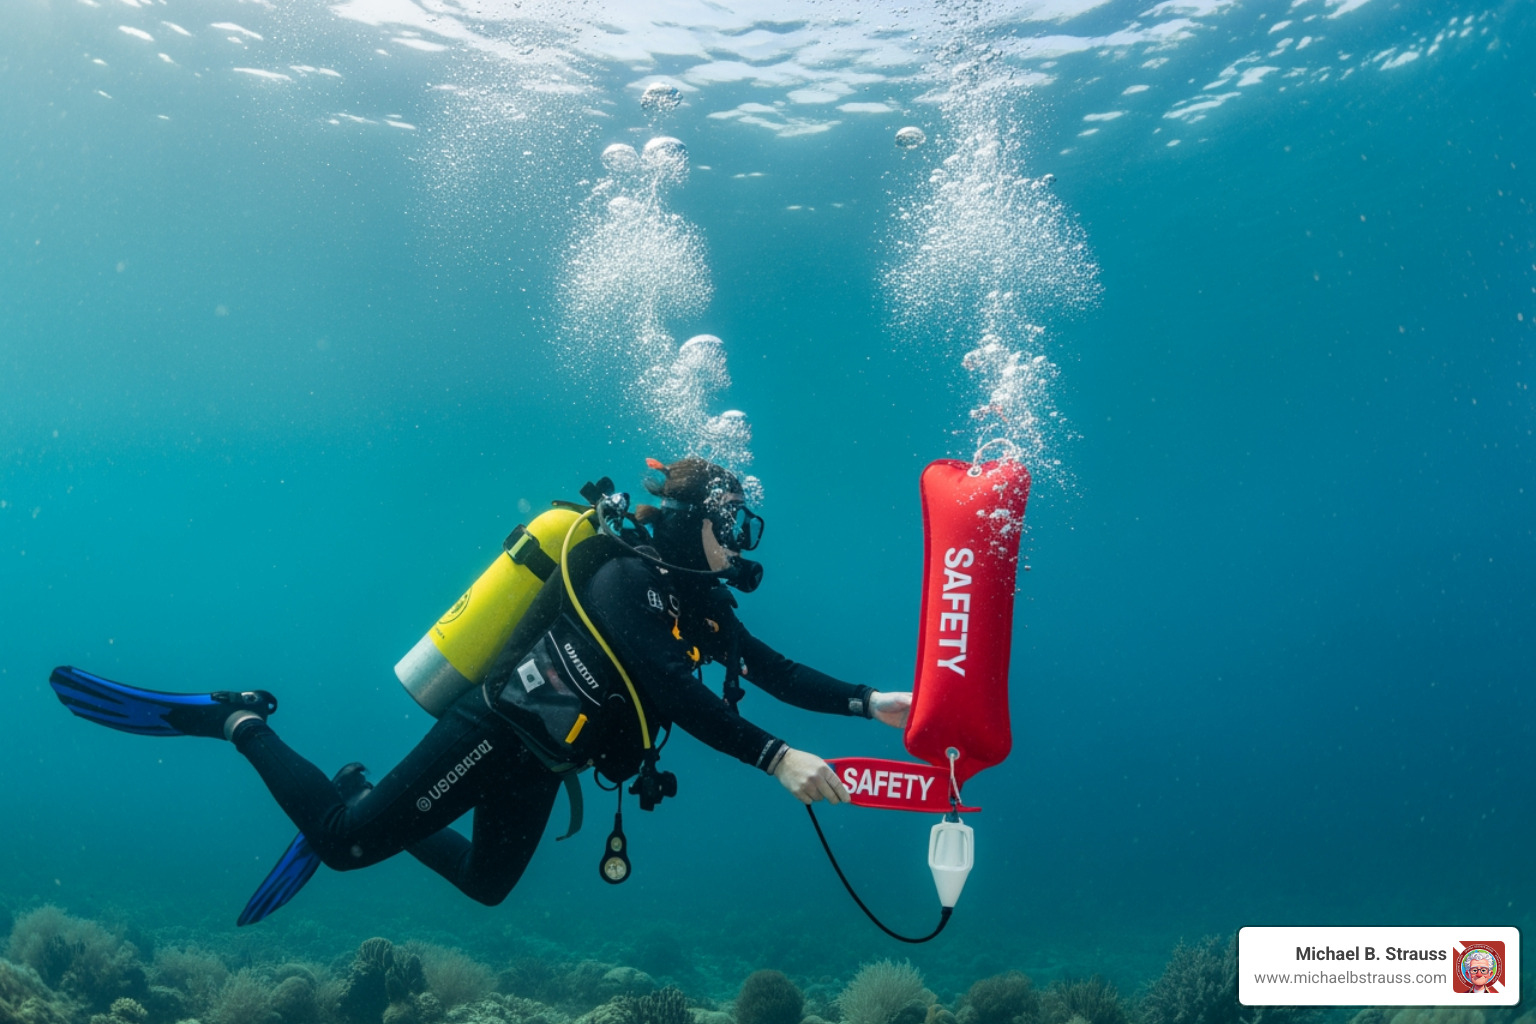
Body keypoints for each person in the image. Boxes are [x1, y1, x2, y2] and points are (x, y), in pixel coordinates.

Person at [50, 457, 911, 909]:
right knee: (347, 846)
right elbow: (670, 687)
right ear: (692, 522)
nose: (741, 541)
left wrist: (872, 704)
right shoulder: (622, 578)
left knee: (488, 886)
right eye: (731, 524)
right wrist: (773, 759)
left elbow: (773, 670)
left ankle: (358, 786)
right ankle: (240, 720)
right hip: (496, 729)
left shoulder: (704, 607)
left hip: (548, 761)